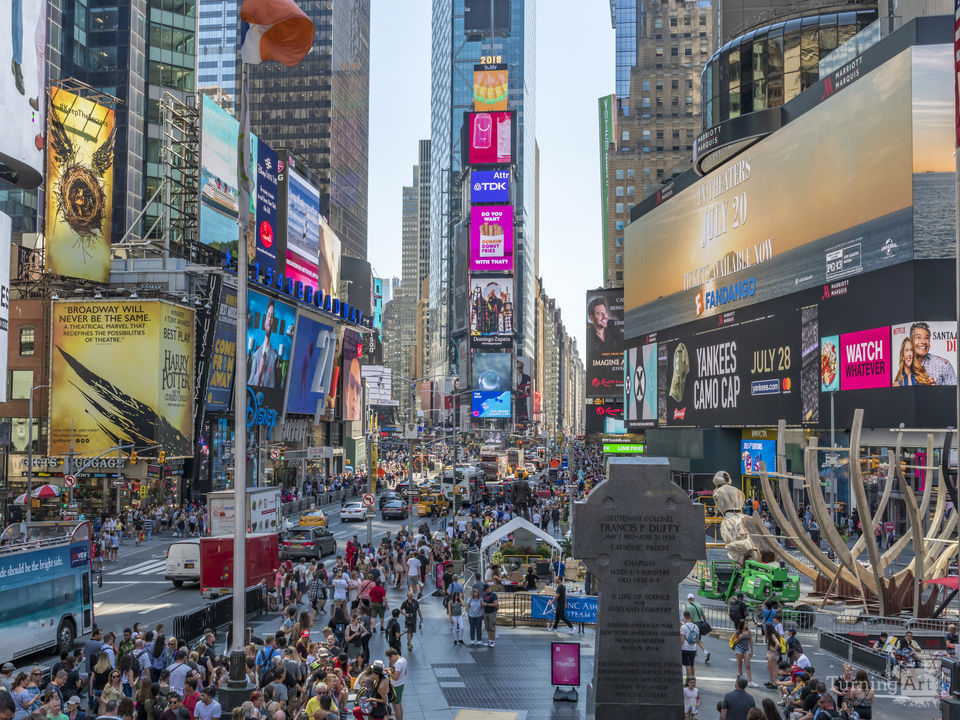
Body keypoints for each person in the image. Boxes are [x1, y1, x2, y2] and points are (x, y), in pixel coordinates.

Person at [249, 300, 278, 388]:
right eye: (268, 316)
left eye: (272, 317)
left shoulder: (274, 356)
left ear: (273, 323)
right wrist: (260, 367)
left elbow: (272, 385)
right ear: (265, 321)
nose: (269, 319)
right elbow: (250, 383)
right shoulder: (256, 354)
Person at [684, 593, 710, 662]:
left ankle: (693, 653)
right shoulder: (699, 605)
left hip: (693, 625)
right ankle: (705, 652)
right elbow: (703, 616)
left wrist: (686, 625)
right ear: (694, 598)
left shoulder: (689, 607)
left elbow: (690, 617)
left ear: (689, 599)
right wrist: (705, 623)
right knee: (697, 640)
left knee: (690, 639)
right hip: (699, 624)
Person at [731, 619, 757, 688]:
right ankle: (741, 681)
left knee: (748, 665)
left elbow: (751, 642)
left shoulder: (749, 632)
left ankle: (750, 681)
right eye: (745, 623)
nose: (747, 625)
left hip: (746, 650)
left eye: (747, 623)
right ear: (742, 624)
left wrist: (752, 651)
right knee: (739, 664)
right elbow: (734, 641)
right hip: (739, 649)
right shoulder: (738, 632)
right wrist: (739, 638)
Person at [385, 650, 405, 720]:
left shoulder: (398, 663)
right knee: (399, 705)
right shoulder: (403, 659)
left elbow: (395, 677)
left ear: (393, 655)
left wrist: (389, 672)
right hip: (400, 685)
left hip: (396, 687)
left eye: (389, 658)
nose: (389, 660)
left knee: (396, 708)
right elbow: (405, 672)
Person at [680, 611, 700, 679]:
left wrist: (679, 647)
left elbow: (682, 640)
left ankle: (688, 681)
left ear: (684, 617)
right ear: (690, 617)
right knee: (692, 665)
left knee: (687, 665)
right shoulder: (696, 626)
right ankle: (692, 680)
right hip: (693, 648)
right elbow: (697, 639)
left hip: (685, 648)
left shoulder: (683, 627)